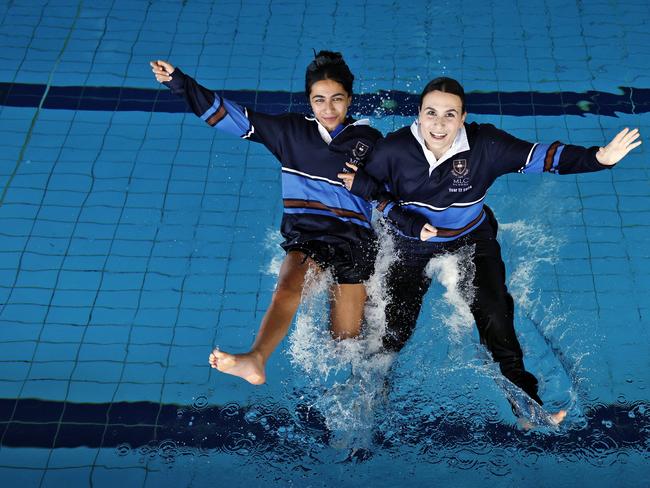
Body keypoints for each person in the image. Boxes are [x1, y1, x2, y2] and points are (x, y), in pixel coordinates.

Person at [339, 77, 641, 424]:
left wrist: (599, 158)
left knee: (496, 316)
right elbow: (361, 191)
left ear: (463, 116)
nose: (438, 124)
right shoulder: (393, 150)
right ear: (419, 115)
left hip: (470, 240)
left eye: (449, 114)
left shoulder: (486, 145)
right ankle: (369, 393)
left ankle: (526, 405)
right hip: (411, 246)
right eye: (431, 113)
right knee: (392, 330)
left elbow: (543, 156)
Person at [151, 51, 382, 385]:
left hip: (355, 244)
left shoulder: (370, 142)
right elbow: (230, 116)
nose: (328, 109)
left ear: (349, 99)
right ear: (309, 101)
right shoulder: (289, 132)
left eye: (337, 99)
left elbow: (400, 186)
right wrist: (179, 83)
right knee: (286, 288)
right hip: (308, 237)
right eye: (319, 100)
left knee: (345, 345)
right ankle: (255, 358)